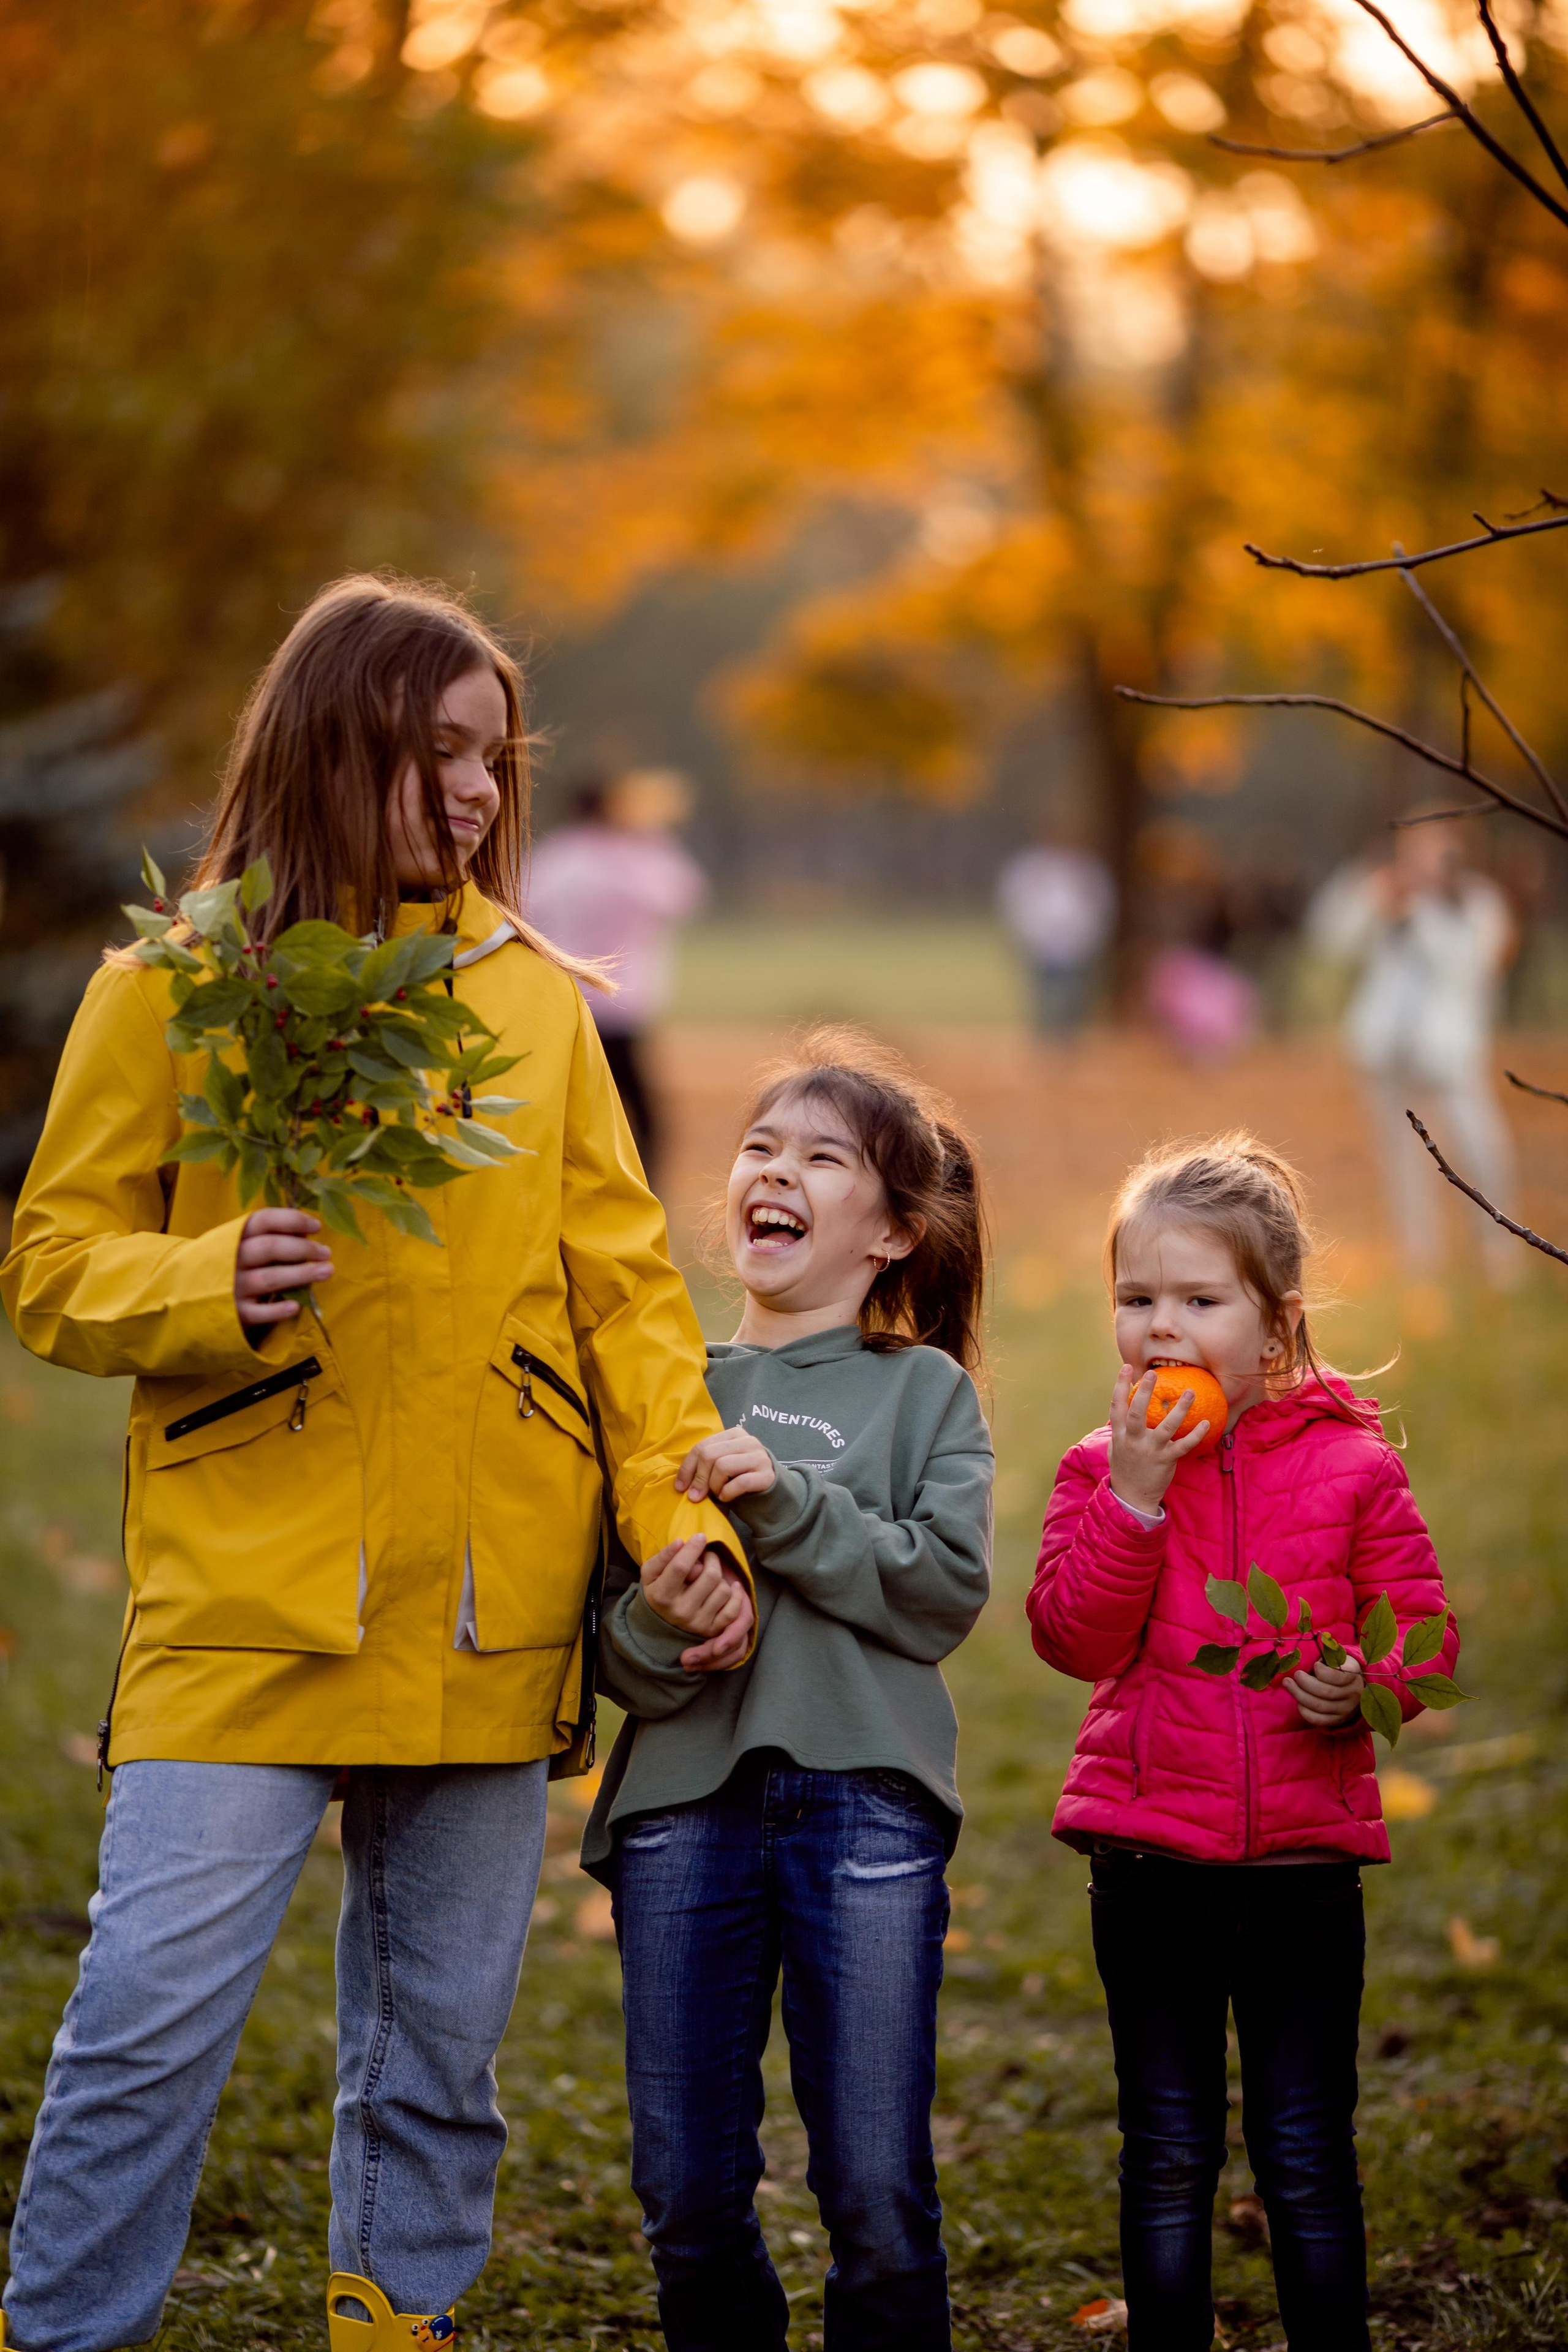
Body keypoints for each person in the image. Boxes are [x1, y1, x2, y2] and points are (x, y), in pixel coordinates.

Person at [0, 577, 750, 2352]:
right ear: (336, 750)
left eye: (497, 760)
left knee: (439, 2059)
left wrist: (672, 1515)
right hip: (245, 1608)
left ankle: (393, 2322)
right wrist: (205, 1278)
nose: (481, 794)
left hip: (486, 1615)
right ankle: (64, 2334)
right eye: (437, 756)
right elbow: (48, 1265)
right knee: (144, 2026)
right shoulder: (176, 987)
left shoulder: (542, 1003)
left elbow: (626, 1292)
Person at [581, 1028, 995, 2352]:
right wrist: (660, 1617)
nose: (777, 1171)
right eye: (762, 1146)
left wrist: (792, 1500)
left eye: (823, 1157)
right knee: (685, 2190)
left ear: (889, 1236)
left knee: (874, 2186)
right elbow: (597, 1642)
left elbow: (940, 1592)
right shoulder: (662, 1390)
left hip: (865, 1809)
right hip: (678, 1815)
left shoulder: (922, 1394)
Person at [1027, 1136, 1458, 2351]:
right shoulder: (1095, 1472)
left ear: (1273, 1329)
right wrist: (1133, 1498)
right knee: (1165, 2144)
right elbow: (1068, 1635)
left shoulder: (1354, 1467)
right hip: (1148, 1862)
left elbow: (1422, 1639)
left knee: (1305, 2145)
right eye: (1135, 1300)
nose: (1160, 1327)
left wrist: (1360, 1685)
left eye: (1197, 1301)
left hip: (1300, 1876)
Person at [1306, 816, 1518, 1283]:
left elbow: (1467, 969)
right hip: (1386, 1052)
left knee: (1478, 1147)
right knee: (1402, 1159)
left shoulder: (1477, 904)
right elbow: (1331, 940)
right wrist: (1366, 890)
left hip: (1450, 1056)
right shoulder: (1386, 896)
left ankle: (1500, 1249)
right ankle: (1420, 1256)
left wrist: (1421, 911)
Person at [524, 769, 708, 1185]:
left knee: (565, 1106)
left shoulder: (553, 859)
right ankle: (647, 1189)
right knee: (644, 1115)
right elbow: (683, 895)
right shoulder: (634, 856)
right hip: (625, 1006)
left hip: (567, 1002)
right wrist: (650, 834)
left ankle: (560, 1186)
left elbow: (522, 912)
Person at [995, 834, 1115, 1034]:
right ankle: (1047, 1041)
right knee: (1045, 999)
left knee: (1074, 1000)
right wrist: (1028, 935)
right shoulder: (1031, 867)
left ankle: (1068, 1042)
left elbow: (1101, 905)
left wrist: (1088, 937)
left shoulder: (1087, 868)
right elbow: (1016, 902)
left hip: (1077, 944)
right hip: (1041, 944)